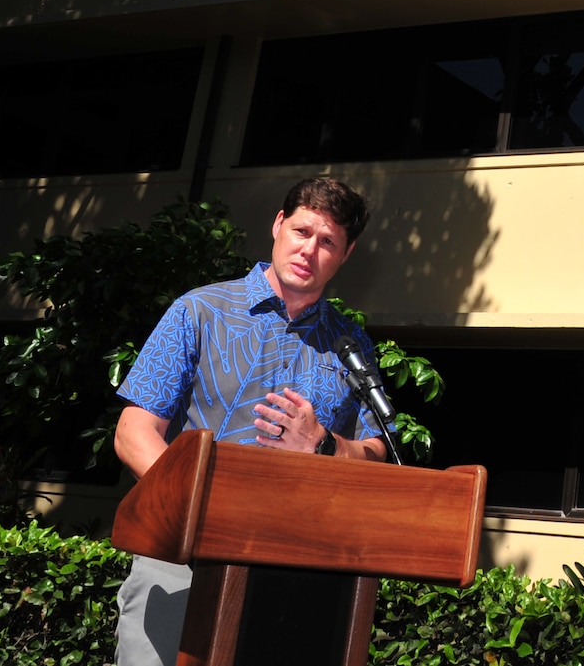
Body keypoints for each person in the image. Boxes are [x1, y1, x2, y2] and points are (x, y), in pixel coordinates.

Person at [111, 176, 389, 666]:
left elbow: (376, 454)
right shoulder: (198, 311)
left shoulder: (351, 345)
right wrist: (193, 511)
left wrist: (324, 445)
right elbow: (134, 432)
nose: (310, 250)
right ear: (278, 225)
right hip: (180, 558)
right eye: (302, 231)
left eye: (328, 242)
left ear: (345, 256)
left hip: (290, 574)